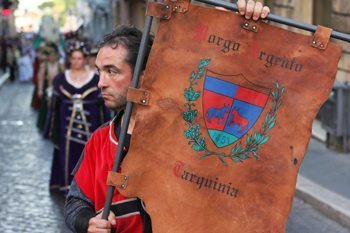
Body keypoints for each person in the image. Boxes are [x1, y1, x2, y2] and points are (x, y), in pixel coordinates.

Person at [64, 1, 270, 232]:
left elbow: (241, 81)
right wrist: (87, 222)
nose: (101, 83)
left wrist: (248, 26)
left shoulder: (191, 134)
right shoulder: (100, 141)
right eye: (99, 72)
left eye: (111, 71)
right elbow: (76, 203)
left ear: (143, 76)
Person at [45, 41, 110, 193]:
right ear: (69, 59)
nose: (76, 62)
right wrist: (51, 129)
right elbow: (54, 108)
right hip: (65, 129)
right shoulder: (60, 79)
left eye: (79, 58)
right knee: (67, 155)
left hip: (91, 126)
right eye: (73, 58)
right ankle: (68, 185)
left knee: (89, 154)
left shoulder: (95, 79)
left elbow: (103, 108)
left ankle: (89, 187)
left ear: (85, 59)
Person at [36, 42, 64, 131]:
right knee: (46, 109)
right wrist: (40, 90)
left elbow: (64, 78)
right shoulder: (44, 65)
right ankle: (46, 127)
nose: (52, 57)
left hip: (58, 91)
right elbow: (40, 78)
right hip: (47, 90)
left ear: (56, 55)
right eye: (50, 55)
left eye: (53, 55)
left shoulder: (60, 65)